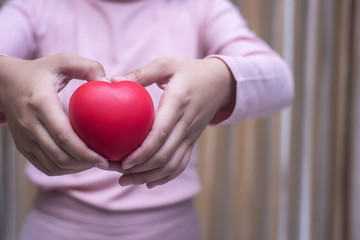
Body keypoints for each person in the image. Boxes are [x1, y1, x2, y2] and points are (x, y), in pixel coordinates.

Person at [0, 0, 294, 239]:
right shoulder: (37, 7)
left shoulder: (200, 7)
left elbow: (281, 82)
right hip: (54, 229)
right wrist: (5, 77)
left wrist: (221, 78)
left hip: (172, 230)